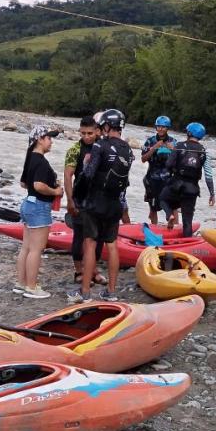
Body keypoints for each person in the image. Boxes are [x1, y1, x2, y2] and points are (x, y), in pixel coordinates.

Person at [76, 108, 133, 300]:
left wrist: (85, 164)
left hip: (96, 202)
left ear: (107, 126)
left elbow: (89, 174)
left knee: (90, 244)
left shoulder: (100, 145)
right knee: (112, 245)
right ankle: (111, 291)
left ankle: (85, 292)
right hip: (115, 204)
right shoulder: (128, 149)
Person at [14, 125, 64, 298]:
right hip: (39, 207)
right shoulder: (41, 161)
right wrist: (55, 191)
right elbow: (38, 185)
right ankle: (32, 286)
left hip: (28, 203)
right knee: (36, 249)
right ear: (39, 140)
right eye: (49, 138)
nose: (51, 142)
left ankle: (21, 283)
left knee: (26, 247)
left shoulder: (30, 158)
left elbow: (24, 184)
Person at [61, 115, 107, 288]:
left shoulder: (103, 147)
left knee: (99, 237)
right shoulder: (74, 149)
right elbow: (67, 175)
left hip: (99, 198)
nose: (86, 136)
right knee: (79, 236)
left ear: (97, 130)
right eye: (83, 133)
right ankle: (79, 271)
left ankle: (94, 270)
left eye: (90, 133)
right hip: (81, 199)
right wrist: (70, 200)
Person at [159, 122, 215, 238]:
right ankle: (186, 247)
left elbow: (169, 164)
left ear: (189, 133)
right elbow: (208, 175)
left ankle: (170, 215)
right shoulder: (204, 152)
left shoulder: (179, 145)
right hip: (192, 189)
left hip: (176, 185)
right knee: (187, 221)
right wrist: (212, 193)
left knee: (163, 199)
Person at [140, 115, 176, 227]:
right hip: (153, 178)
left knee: (172, 205)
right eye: (158, 127)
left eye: (163, 127)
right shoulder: (150, 141)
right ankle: (154, 227)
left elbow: (179, 161)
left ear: (167, 128)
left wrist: (173, 150)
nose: (160, 129)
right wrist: (154, 148)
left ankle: (174, 228)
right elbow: (143, 159)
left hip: (168, 179)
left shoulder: (173, 142)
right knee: (153, 207)